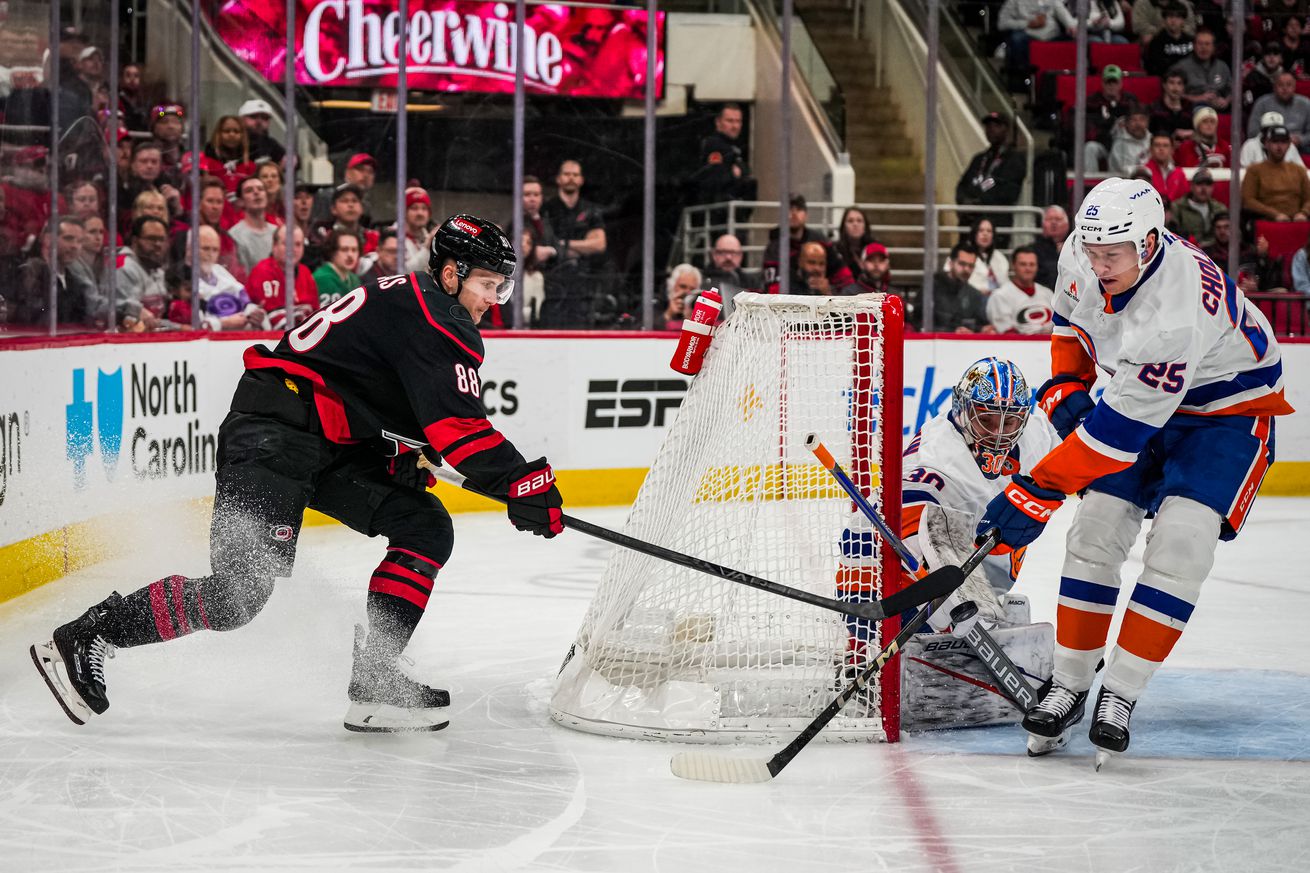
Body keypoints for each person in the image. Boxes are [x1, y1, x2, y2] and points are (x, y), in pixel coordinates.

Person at [30, 214, 564, 734]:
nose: (492, 302)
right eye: (487, 285)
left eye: (500, 288)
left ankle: (376, 677)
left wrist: (395, 453)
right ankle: (89, 634)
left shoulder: (409, 298)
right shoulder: (435, 315)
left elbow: (366, 386)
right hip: (275, 434)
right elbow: (457, 428)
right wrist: (522, 481)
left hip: (319, 442)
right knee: (239, 594)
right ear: (451, 274)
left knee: (423, 525)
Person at [974, 177, 1293, 765]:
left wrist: (1032, 492)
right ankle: (1069, 683)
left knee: (1182, 542)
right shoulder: (1085, 249)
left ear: (1149, 243)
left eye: (1111, 256)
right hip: (1141, 391)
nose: (1098, 265)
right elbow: (1069, 323)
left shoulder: (1176, 310)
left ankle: (1119, 691)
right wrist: (1068, 380)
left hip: (1225, 411)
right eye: (1091, 252)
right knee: (1094, 529)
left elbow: (1117, 440)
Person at [835, 358, 1060, 719]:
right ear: (962, 410)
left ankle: (984, 620)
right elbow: (909, 525)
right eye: (987, 420)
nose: (1000, 433)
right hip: (912, 559)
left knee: (983, 608)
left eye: (1010, 420)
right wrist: (951, 604)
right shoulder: (937, 455)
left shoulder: (1035, 433)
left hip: (978, 558)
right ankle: (863, 648)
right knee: (868, 539)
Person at [955, 113, 1027, 228]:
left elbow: (1009, 193)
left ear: (1006, 130)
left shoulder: (1014, 159)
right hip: (970, 224)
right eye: (988, 126)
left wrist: (979, 203)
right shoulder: (979, 159)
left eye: (996, 125)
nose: (991, 129)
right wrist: (964, 202)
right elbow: (962, 185)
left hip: (996, 226)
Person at [245, 224, 318, 330]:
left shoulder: (305, 272)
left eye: (298, 244)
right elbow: (270, 319)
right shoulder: (262, 272)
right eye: (287, 244)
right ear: (274, 245)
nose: (293, 249)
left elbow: (315, 313)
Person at [1242, 125, 1310, 221]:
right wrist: (1274, 214)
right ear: (1266, 144)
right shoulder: (1254, 170)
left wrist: (1304, 213)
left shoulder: (1299, 170)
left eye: (1283, 142)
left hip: (1297, 221)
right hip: (1266, 222)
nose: (1279, 146)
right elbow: (1248, 201)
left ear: (1289, 145)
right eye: (1275, 142)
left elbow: (1308, 198)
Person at [987, 245, 1054, 333]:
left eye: (1032, 264)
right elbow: (1007, 334)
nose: (1028, 268)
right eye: (1023, 264)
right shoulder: (1000, 296)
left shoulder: (1048, 293)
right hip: (1017, 346)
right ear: (1013, 266)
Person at [927, 242, 991, 332]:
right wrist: (953, 332)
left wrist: (982, 330)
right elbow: (919, 324)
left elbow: (979, 325)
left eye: (971, 266)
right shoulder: (931, 289)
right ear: (950, 263)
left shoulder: (975, 295)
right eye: (962, 264)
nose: (966, 269)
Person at [953, 216, 1009, 294]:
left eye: (989, 231)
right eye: (981, 230)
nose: (985, 234)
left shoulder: (1000, 258)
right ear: (974, 233)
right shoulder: (961, 253)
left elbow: (1005, 285)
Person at [1170, 167, 1227, 245]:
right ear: (1191, 186)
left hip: (1215, 254)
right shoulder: (1177, 207)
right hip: (1188, 252)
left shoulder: (1220, 208)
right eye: (1199, 183)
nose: (1204, 188)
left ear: (1213, 187)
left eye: (1208, 184)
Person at [312, 229, 362, 308]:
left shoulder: (354, 279)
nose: (350, 255)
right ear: (332, 251)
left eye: (354, 250)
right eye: (344, 249)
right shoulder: (321, 278)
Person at [1239, 110, 1307, 168]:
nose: (1271, 133)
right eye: (1268, 130)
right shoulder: (1249, 145)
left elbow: (1301, 171)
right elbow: (1243, 172)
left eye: (1275, 130)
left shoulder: (1290, 146)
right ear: (1262, 131)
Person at [1033, 205, 1070, 289]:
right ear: (1042, 225)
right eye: (1049, 219)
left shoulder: (1078, 248)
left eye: (1058, 219)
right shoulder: (1033, 251)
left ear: (1067, 225)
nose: (1054, 223)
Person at [832, 207, 876, 276]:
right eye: (850, 221)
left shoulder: (875, 248)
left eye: (859, 221)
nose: (855, 224)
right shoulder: (835, 250)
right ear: (844, 227)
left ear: (865, 226)